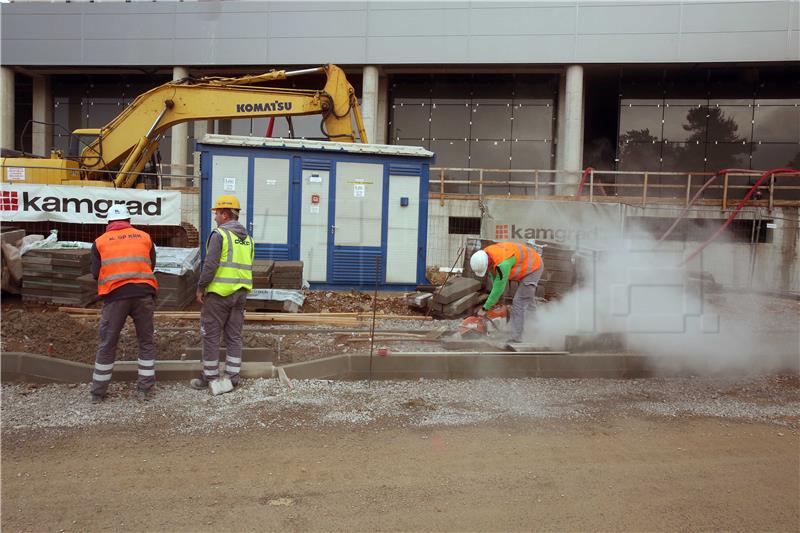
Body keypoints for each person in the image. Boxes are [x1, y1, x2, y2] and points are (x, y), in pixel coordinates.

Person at [90, 204, 158, 404]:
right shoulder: (145, 237)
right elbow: (151, 264)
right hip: (144, 294)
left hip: (115, 297)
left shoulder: (100, 242)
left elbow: (96, 273)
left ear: (109, 222)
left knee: (107, 343)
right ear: (129, 221)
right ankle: (145, 389)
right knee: (146, 342)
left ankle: (98, 393)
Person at [191, 194, 254, 392]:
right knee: (234, 336)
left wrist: (201, 287)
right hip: (241, 294)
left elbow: (210, 265)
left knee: (211, 335)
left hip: (219, 294)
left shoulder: (220, 235)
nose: (215, 217)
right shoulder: (247, 239)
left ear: (225, 215)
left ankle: (210, 376)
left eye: (217, 213)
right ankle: (233, 377)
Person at [469, 241, 544, 344]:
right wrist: (495, 301)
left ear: (487, 262)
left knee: (519, 302)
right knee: (528, 301)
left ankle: (516, 337)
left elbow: (499, 287)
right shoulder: (487, 254)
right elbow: (496, 282)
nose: (488, 270)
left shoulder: (502, 264)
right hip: (528, 265)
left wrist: (485, 308)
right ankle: (537, 329)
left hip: (534, 266)